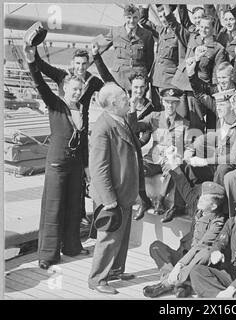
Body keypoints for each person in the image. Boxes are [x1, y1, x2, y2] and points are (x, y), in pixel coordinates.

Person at [23, 44, 90, 270]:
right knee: (53, 207)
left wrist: (86, 167)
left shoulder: (80, 108)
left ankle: (72, 246)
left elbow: (82, 140)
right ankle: (47, 254)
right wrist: (32, 62)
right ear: (65, 89)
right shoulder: (56, 105)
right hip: (57, 163)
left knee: (73, 207)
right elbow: (40, 83)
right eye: (73, 89)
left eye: (79, 90)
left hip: (75, 164)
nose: (77, 93)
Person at [34, 43, 104, 228]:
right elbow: (41, 66)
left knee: (81, 171)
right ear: (72, 63)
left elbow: (109, 85)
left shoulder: (93, 81)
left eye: (84, 64)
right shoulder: (61, 76)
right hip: (63, 126)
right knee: (63, 171)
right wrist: (32, 48)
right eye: (78, 63)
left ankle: (80, 213)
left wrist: (98, 57)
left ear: (88, 64)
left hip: (81, 128)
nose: (80, 67)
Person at [91, 44, 155, 221]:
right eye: (135, 88)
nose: (137, 92)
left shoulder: (149, 108)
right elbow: (107, 78)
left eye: (142, 88)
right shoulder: (119, 105)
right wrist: (96, 57)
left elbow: (143, 131)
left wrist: (138, 143)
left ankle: (143, 200)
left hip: (137, 152)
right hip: (121, 153)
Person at [88, 82, 141, 294]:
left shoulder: (120, 119)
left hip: (125, 191)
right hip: (112, 194)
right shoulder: (103, 128)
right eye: (124, 98)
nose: (128, 98)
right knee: (109, 237)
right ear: (113, 103)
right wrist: (108, 198)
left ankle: (116, 270)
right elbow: (98, 167)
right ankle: (98, 279)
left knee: (122, 234)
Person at [144, 178, 226, 298]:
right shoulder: (199, 209)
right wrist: (175, 168)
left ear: (213, 206)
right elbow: (184, 188)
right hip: (183, 254)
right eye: (201, 195)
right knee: (156, 247)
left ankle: (166, 284)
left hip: (196, 259)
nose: (200, 198)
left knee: (204, 253)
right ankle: (181, 284)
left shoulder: (218, 222)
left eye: (204, 198)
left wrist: (180, 265)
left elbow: (200, 246)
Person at [165, 5, 228, 131]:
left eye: (207, 27)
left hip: (197, 88)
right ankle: (178, 147)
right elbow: (174, 24)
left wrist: (216, 94)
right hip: (181, 84)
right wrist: (166, 5)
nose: (203, 30)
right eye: (201, 26)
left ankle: (195, 148)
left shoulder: (218, 48)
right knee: (179, 120)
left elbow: (216, 74)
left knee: (196, 122)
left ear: (213, 29)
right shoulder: (192, 37)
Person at [138, 88, 191, 223]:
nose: (170, 106)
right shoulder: (154, 117)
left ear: (178, 104)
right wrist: (132, 110)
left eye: (173, 103)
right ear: (162, 102)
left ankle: (159, 201)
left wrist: (181, 156)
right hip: (153, 159)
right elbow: (137, 126)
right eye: (167, 102)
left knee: (172, 168)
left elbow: (188, 146)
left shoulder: (184, 124)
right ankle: (144, 201)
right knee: (136, 166)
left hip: (168, 160)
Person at [183, 90, 236, 187]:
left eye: (222, 105)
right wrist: (191, 148)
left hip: (232, 165)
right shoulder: (223, 120)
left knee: (222, 169)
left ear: (232, 105)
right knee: (189, 166)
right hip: (217, 160)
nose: (218, 108)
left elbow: (233, 158)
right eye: (217, 105)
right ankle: (194, 196)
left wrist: (205, 161)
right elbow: (213, 136)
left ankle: (219, 198)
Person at [94, 4, 154, 92]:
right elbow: (97, 47)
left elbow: (150, 60)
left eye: (135, 17)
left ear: (139, 17)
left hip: (138, 82)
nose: (132, 21)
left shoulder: (147, 35)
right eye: (129, 17)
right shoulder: (115, 32)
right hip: (119, 79)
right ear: (124, 17)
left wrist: (142, 74)